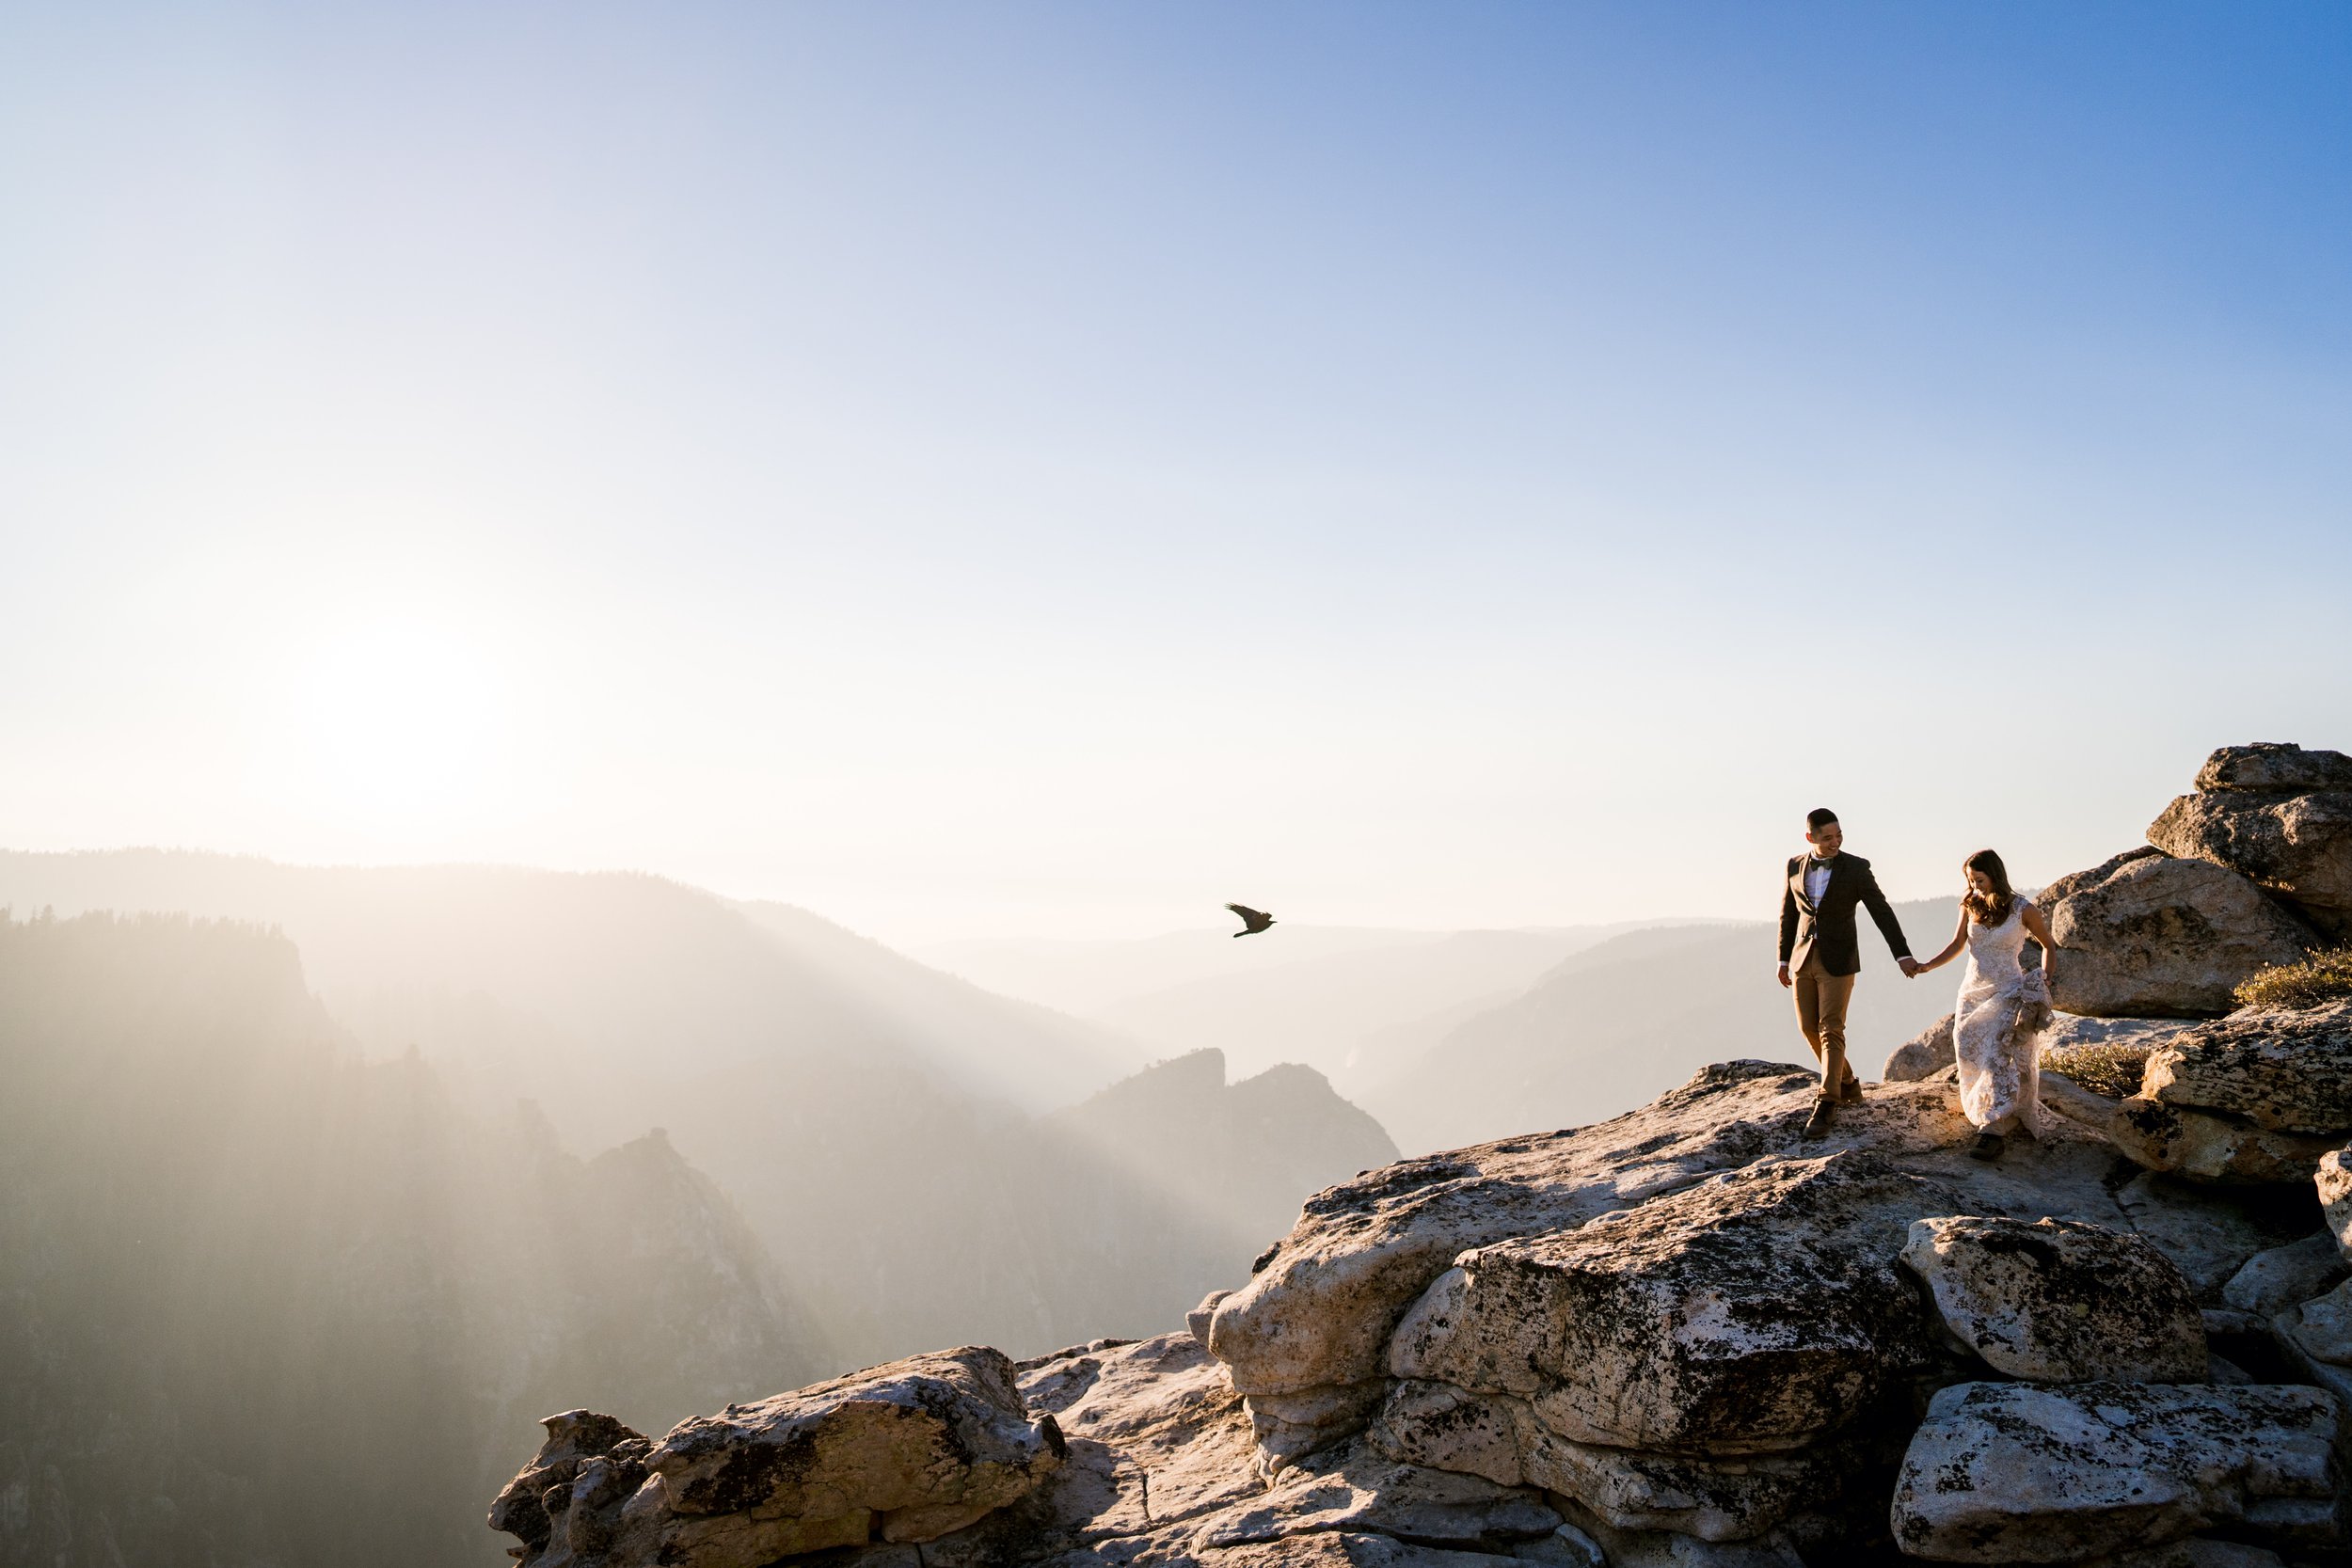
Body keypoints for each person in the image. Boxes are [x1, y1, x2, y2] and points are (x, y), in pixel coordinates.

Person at [1778, 808, 1918, 1136]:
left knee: (1831, 1028)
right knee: (1808, 1027)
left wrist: (1902, 954)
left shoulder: (1856, 868)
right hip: (1802, 957)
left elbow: (1881, 911)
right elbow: (1788, 914)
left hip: (1839, 960)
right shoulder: (1794, 865)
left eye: (1839, 835)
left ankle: (1827, 1101)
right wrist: (1783, 960)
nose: (1835, 842)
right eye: (1827, 837)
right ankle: (1848, 1082)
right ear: (1810, 837)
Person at [1911, 849, 2056, 1161]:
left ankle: (1992, 1131)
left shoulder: (2022, 909)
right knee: (1967, 1050)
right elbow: (1957, 945)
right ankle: (1986, 1110)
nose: (1975, 886)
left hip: (2008, 989)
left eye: (1979, 879)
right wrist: (1926, 966)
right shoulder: (1969, 904)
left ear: (1995, 875)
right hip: (1972, 992)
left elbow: (2048, 945)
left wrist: (2043, 980)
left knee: (1997, 1054)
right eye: (1970, 880)